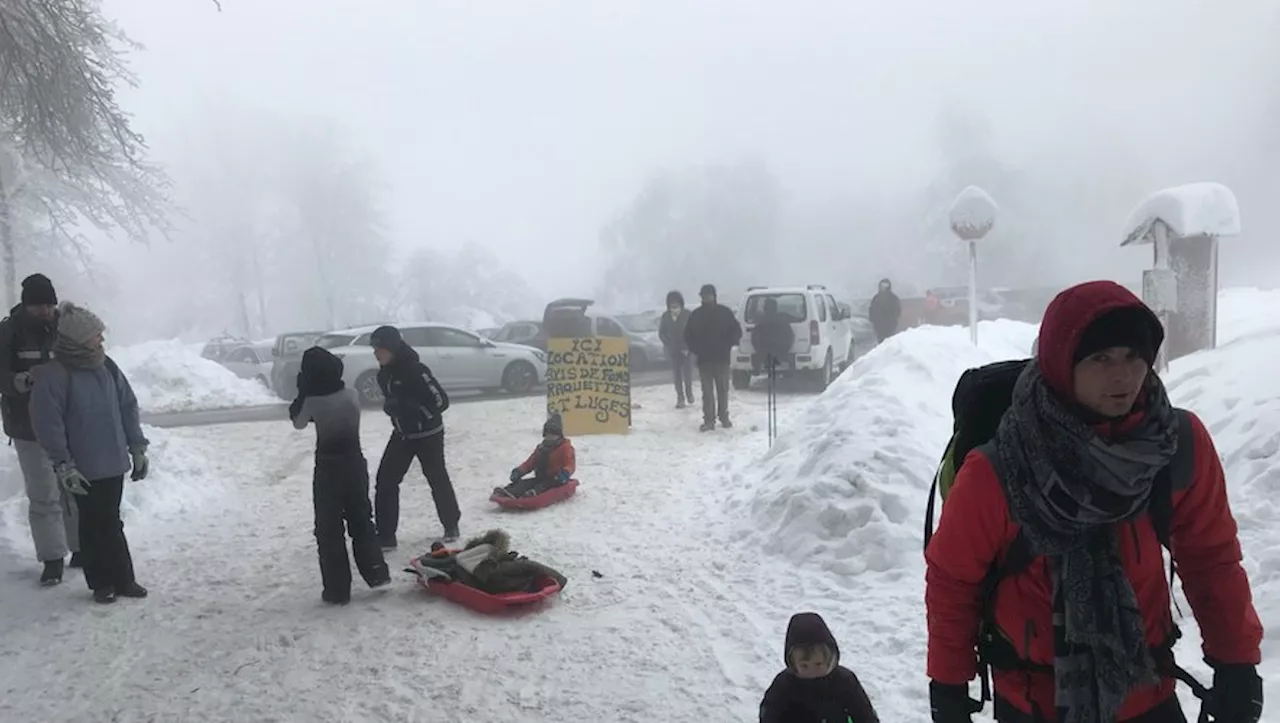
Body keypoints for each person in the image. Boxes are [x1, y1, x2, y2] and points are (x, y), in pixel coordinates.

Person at [925, 281, 1263, 723]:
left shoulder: (1174, 446)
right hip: (1034, 702)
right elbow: (954, 582)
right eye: (1101, 359)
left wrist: (1236, 662)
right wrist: (948, 686)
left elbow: (1210, 558)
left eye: (1133, 357)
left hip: (1145, 687)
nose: (1122, 376)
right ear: (1062, 362)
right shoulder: (1000, 468)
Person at [29, 302, 150, 605]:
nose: (101, 340)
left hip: (112, 460)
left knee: (111, 520)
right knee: (92, 522)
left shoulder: (106, 365)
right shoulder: (54, 375)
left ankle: (124, 578)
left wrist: (136, 446)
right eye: (95, 335)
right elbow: (48, 423)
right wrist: (63, 465)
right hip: (81, 466)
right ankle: (101, 582)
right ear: (77, 339)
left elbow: (127, 405)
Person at [289, 346, 391, 604]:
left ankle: (337, 589)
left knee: (329, 529)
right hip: (355, 463)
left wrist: (303, 391)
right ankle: (377, 573)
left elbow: (299, 421)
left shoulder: (312, 401)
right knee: (361, 519)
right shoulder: (352, 395)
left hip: (328, 468)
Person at [0, 273, 80, 585]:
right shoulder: (8, 332)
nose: (46, 311)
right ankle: (52, 558)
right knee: (43, 492)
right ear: (26, 305)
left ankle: (81, 547)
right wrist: (21, 382)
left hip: (67, 422)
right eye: (39, 306)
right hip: (27, 424)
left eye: (50, 304)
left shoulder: (65, 326)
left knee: (73, 487)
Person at [369, 325, 460, 548]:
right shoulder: (384, 374)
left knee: (436, 477)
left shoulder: (417, 370)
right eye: (374, 349)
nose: (376, 353)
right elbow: (394, 401)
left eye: (380, 349)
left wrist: (412, 407)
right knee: (386, 480)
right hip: (402, 434)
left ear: (392, 348)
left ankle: (451, 524)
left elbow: (441, 402)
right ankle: (386, 536)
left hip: (428, 434)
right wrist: (391, 408)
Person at [759, 612, 880, 723]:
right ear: (793, 663)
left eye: (818, 664)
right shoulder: (784, 685)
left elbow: (864, 714)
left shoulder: (844, 681)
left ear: (828, 659)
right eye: (804, 666)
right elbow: (769, 714)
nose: (812, 671)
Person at [683, 283, 742, 432]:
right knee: (707, 392)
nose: (706, 298)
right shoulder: (696, 315)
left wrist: (728, 344)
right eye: (704, 296)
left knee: (723, 390)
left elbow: (736, 331)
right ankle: (709, 420)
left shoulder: (725, 313)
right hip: (704, 360)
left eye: (709, 295)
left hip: (722, 359)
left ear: (714, 296)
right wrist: (696, 349)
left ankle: (724, 417)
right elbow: (688, 336)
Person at [493, 414, 575, 499]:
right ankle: (509, 491)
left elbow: (570, 464)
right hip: (540, 477)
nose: (550, 436)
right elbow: (530, 463)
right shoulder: (541, 448)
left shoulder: (565, 448)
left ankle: (533, 494)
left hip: (556, 479)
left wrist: (565, 473)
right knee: (525, 483)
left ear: (559, 435)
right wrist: (520, 471)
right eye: (548, 433)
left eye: (554, 434)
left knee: (544, 486)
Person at [659, 290, 694, 408]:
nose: (675, 308)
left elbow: (693, 332)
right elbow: (662, 333)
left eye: (677, 305)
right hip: (673, 351)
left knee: (688, 374)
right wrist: (668, 343)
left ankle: (689, 393)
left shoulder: (688, 315)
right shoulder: (666, 317)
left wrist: (689, 346)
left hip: (686, 350)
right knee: (677, 376)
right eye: (672, 305)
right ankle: (680, 397)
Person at [867, 278, 901, 343]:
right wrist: (872, 319)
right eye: (882, 286)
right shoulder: (876, 298)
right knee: (881, 342)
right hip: (878, 326)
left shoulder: (893, 298)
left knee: (889, 342)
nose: (883, 288)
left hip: (890, 325)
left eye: (885, 286)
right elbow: (871, 309)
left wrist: (894, 320)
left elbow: (898, 310)